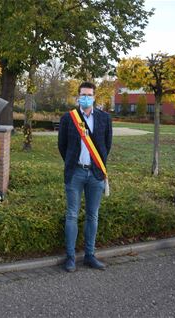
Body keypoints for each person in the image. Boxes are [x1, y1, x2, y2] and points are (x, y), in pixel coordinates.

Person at [58, 81, 112, 272]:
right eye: (83, 94)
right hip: (75, 172)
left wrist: (98, 166)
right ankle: (70, 257)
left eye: (89, 94)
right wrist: (72, 163)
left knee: (93, 215)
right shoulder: (68, 118)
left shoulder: (105, 118)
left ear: (94, 97)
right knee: (72, 214)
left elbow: (107, 145)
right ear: (78, 97)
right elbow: (62, 146)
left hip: (96, 173)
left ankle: (90, 255)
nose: (86, 98)